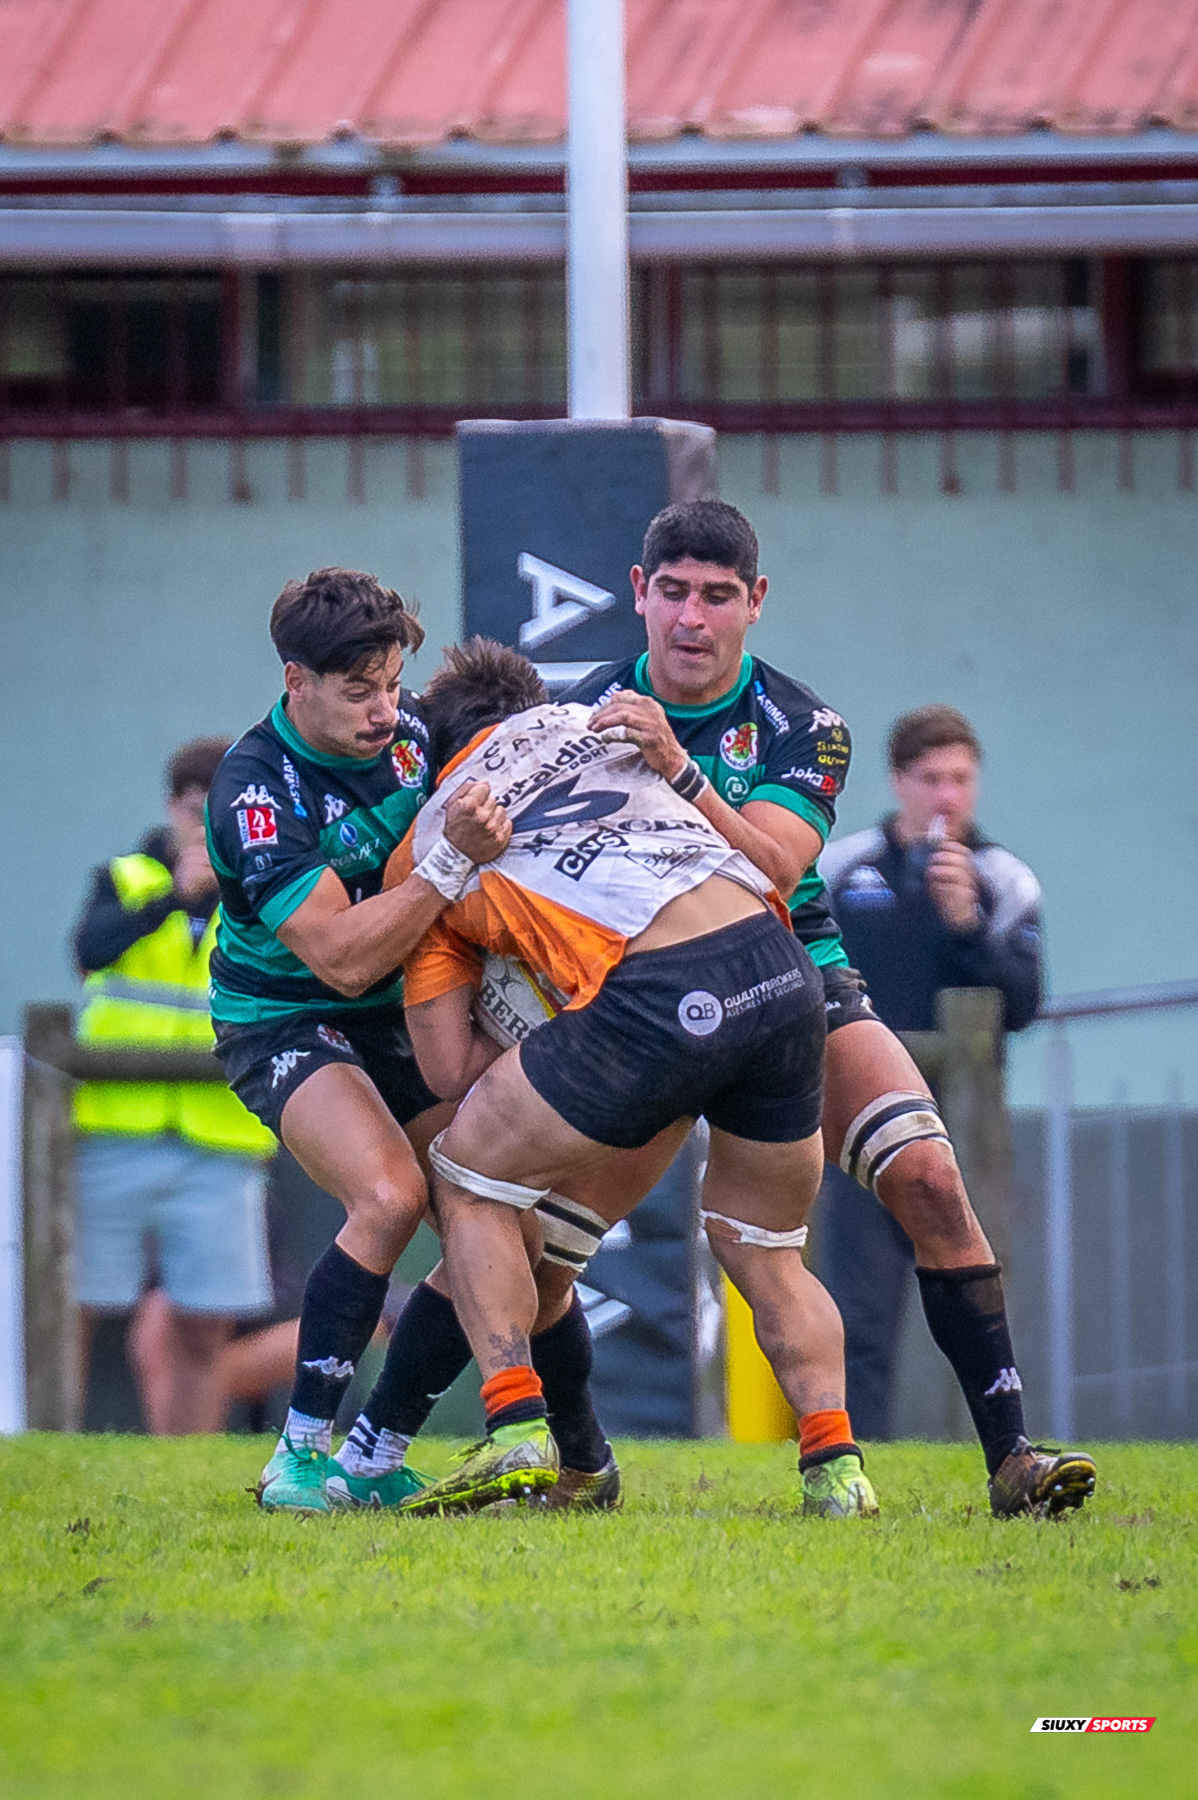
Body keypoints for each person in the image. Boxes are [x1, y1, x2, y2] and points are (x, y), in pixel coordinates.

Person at [559, 501, 1095, 1519]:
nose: (691, 617)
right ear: (638, 593)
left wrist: (676, 765)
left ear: (755, 602)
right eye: (672, 591)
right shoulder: (579, 717)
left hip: (789, 979)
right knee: (535, 1233)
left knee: (931, 1179)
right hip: (642, 1000)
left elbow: (773, 866)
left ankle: (1012, 1459)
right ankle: (561, 1458)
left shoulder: (805, 726)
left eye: (717, 596)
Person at [384, 638, 877, 1520]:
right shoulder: (600, 727)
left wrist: (529, 1023)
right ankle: (837, 1470)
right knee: (765, 1246)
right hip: (779, 969)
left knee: (467, 1176)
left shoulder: (439, 831)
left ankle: (516, 1428)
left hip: (659, 991)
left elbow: (446, 1068)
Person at [204, 567, 511, 1514]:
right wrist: (450, 862)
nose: (387, 712)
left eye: (393, 684)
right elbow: (339, 959)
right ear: (295, 680)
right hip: (284, 1016)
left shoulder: (410, 730)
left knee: (501, 1220)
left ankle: (376, 1452)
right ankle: (296, 1457)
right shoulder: (255, 791)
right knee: (388, 1196)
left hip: (396, 1007)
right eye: (358, 691)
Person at [815, 704, 1043, 1441]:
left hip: (968, 1130)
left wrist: (967, 924)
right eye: (931, 778)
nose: (948, 796)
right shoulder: (843, 869)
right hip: (861, 1122)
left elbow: (1024, 1004)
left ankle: (1000, 1447)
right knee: (860, 1310)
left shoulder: (1003, 877)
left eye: (961, 779)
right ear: (898, 781)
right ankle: (859, 1452)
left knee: (976, 1298)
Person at [73, 737, 276, 1434]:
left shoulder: (261, 892)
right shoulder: (125, 878)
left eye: (223, 811)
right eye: (196, 809)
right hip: (112, 1131)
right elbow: (89, 950)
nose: (207, 825)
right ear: (171, 807)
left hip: (220, 1138)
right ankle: (51, 1440)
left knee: (204, 1321)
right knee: (75, 1303)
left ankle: (184, 1456)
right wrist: (171, 898)